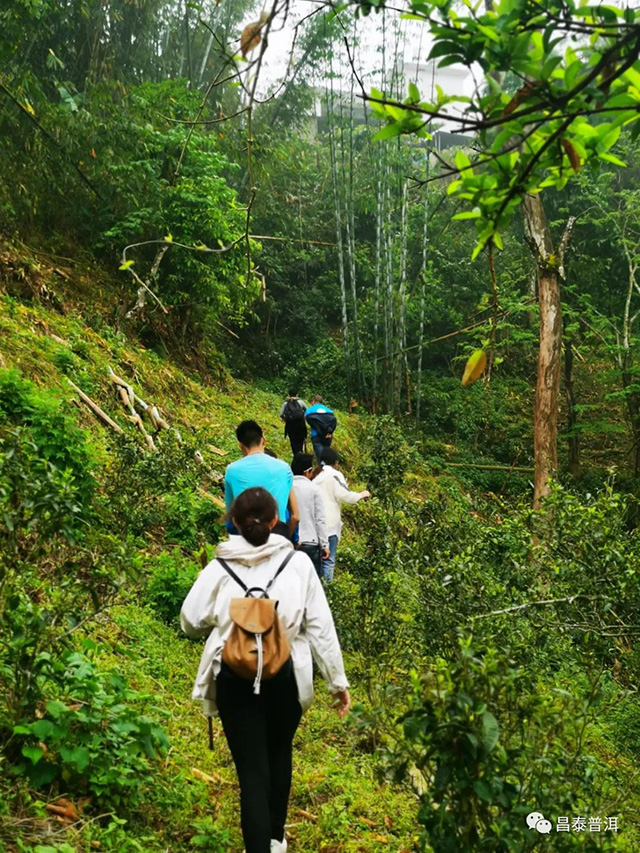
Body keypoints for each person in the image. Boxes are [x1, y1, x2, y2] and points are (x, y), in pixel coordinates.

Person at [180, 487, 350, 853]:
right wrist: (337, 682)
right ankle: (275, 838)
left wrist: (226, 618)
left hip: (234, 679)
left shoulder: (220, 565)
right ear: (277, 521)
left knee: (252, 773)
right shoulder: (299, 565)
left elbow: (189, 621)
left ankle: (260, 845)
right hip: (285, 676)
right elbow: (320, 626)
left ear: (235, 523)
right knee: (279, 750)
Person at [225, 420, 299, 540]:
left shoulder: (231, 470)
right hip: (277, 534)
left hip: (245, 536)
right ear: (263, 440)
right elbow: (295, 516)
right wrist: (285, 538)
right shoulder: (284, 468)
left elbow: (230, 516)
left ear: (240, 445)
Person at [314, 447, 370, 582]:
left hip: (314, 525)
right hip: (330, 526)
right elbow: (345, 496)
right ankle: (328, 595)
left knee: (316, 562)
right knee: (328, 561)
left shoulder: (315, 476)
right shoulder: (334, 475)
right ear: (335, 462)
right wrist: (362, 494)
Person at [291, 452, 329, 578]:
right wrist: (325, 544)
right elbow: (320, 519)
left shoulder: (287, 487)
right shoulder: (314, 489)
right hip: (311, 543)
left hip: (291, 543)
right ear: (308, 472)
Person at [304, 395, 337, 465]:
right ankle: (328, 469)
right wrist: (329, 432)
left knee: (320, 457)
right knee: (326, 455)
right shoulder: (329, 411)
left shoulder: (309, 410)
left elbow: (307, 420)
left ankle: (322, 469)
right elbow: (334, 422)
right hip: (328, 436)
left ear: (313, 402)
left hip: (316, 435)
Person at [279, 389, 307, 456]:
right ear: (297, 394)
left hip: (290, 425)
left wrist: (286, 420)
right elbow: (307, 411)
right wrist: (303, 417)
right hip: (301, 425)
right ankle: (300, 452)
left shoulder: (285, 403)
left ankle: (295, 454)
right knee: (300, 439)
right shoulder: (301, 402)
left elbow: (281, 414)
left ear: (288, 395)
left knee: (293, 440)